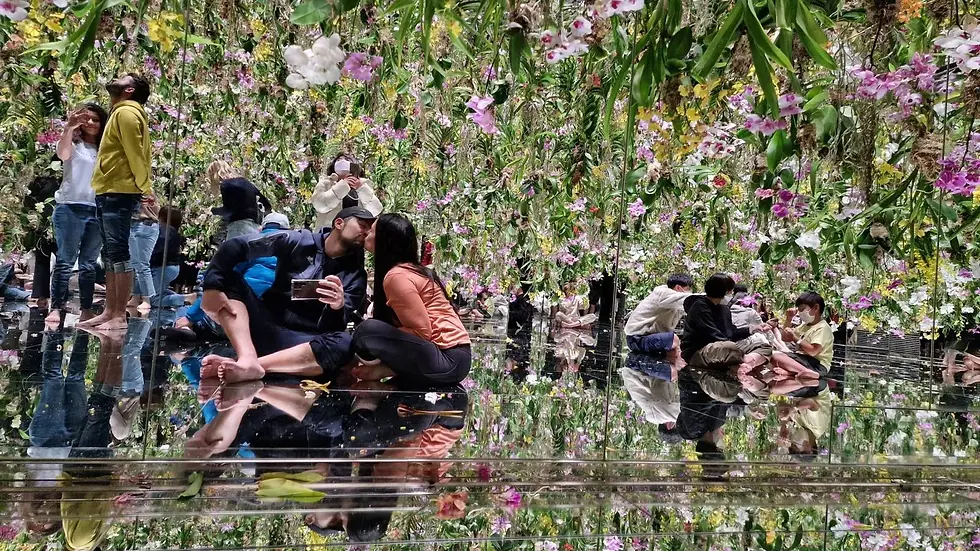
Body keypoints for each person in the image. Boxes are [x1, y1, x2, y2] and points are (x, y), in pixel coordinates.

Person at [198, 207, 374, 382]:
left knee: (344, 344)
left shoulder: (355, 276)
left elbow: (333, 328)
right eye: (362, 225)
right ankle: (247, 357)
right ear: (339, 223)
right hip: (264, 326)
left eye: (370, 228)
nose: (366, 232)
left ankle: (251, 366)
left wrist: (336, 307)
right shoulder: (298, 240)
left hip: (301, 345)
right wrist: (211, 286)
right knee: (228, 278)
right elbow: (236, 246)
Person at [79, 74, 153, 331]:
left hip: (119, 191)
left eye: (122, 79)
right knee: (111, 252)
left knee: (118, 251)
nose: (115, 79)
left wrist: (144, 186)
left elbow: (136, 154)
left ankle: (119, 314)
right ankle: (111, 311)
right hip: (112, 189)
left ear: (130, 89)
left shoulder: (126, 113)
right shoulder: (122, 112)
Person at [167, 212, 291, 340]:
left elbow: (221, 283)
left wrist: (190, 317)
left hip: (236, 319)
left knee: (184, 312)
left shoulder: (250, 246)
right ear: (287, 229)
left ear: (261, 228)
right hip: (275, 325)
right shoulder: (295, 249)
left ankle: (186, 330)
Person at [45, 104, 108, 325]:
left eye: (96, 119)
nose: (91, 123)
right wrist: (69, 128)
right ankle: (56, 308)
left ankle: (86, 309)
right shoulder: (73, 143)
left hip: (96, 209)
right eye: (86, 119)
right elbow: (62, 154)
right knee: (65, 260)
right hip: (69, 207)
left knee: (89, 263)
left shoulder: (106, 149)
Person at [680, 273, 770, 371]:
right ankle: (746, 361)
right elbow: (712, 334)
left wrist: (754, 328)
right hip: (699, 351)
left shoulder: (723, 309)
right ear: (724, 291)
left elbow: (731, 332)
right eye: (730, 291)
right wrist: (735, 346)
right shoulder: (700, 307)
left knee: (764, 346)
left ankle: (744, 363)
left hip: (725, 348)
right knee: (729, 347)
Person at [624, 273, 694, 359]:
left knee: (674, 346)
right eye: (688, 289)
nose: (690, 292)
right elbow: (690, 299)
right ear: (679, 288)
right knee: (673, 339)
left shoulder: (672, 301)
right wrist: (710, 297)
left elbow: (689, 307)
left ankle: (674, 368)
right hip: (636, 339)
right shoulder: (663, 294)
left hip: (643, 338)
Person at [312, 153, 383, 231]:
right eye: (339, 160)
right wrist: (343, 186)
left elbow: (375, 210)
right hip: (328, 233)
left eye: (347, 160)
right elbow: (319, 205)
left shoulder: (363, 185)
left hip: (355, 234)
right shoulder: (326, 182)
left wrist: (361, 188)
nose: (342, 162)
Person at [769, 291, 835, 376]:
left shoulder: (823, 328)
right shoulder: (805, 326)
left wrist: (796, 338)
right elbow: (785, 338)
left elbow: (813, 351)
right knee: (770, 357)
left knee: (776, 356)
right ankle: (795, 372)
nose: (800, 313)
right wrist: (788, 319)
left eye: (802, 309)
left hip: (818, 365)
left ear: (816, 308)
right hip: (803, 359)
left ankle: (808, 373)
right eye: (798, 310)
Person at [207, 160, 271, 240]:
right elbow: (266, 204)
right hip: (255, 228)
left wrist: (213, 211)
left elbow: (229, 210)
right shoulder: (245, 182)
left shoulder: (226, 185)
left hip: (239, 229)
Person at [127, 189, 160, 311]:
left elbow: (146, 207)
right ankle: (136, 297)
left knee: (142, 264)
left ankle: (147, 299)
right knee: (137, 264)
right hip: (141, 224)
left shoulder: (143, 189)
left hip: (143, 224)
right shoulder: (146, 188)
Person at [149, 206, 185, 309]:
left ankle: (186, 298)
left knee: (154, 300)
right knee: (160, 291)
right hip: (172, 267)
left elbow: (158, 247)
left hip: (162, 267)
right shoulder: (174, 231)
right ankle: (180, 298)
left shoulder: (164, 229)